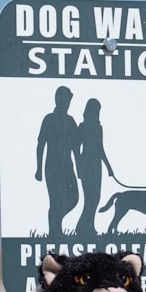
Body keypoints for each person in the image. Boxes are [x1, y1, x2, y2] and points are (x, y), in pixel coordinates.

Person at [35, 86, 79, 237]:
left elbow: (75, 146)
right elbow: (41, 144)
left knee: (74, 197)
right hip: (52, 167)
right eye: (65, 99)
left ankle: (56, 224)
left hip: (68, 166)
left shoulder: (70, 120)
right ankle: (55, 232)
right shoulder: (49, 119)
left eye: (69, 100)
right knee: (55, 201)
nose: (67, 102)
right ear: (59, 99)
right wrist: (39, 169)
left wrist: (80, 168)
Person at [75, 98, 114, 235]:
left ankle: (88, 226)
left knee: (96, 198)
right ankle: (81, 227)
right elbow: (76, 148)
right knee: (89, 198)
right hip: (86, 164)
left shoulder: (98, 127)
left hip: (97, 165)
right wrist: (79, 166)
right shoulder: (82, 127)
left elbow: (100, 148)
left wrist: (109, 167)